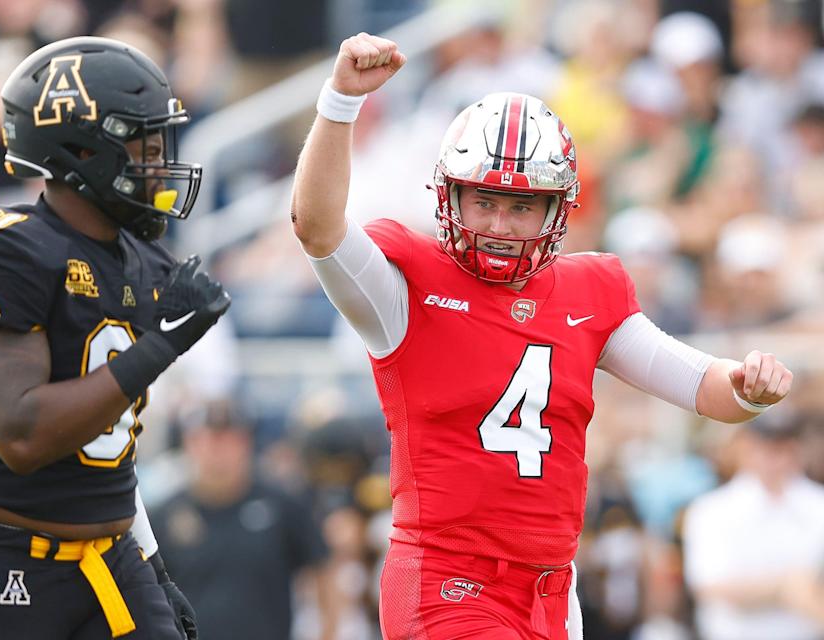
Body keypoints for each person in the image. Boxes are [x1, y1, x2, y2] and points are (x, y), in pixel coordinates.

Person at [290, 32, 793, 640]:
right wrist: (341, 100)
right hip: (446, 580)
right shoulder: (407, 287)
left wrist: (748, 386)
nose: (500, 225)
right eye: (485, 202)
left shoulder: (589, 292)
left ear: (557, 210)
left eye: (522, 207)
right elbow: (317, 228)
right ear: (451, 197)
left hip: (552, 591)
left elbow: (702, 387)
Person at [0, 36, 231, 640]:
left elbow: (109, 454)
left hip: (110, 561)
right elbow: (23, 434)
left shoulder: (145, 262)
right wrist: (160, 347)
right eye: (144, 143)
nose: (160, 162)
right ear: (84, 149)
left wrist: (153, 566)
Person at [149, 399, 335, 640]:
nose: (219, 450)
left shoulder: (282, 506)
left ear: (246, 443)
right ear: (189, 443)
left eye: (230, 439)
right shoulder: (164, 516)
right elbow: (145, 594)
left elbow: (323, 571)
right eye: (209, 439)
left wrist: (328, 632)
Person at [682, 411, 824, 640]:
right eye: (766, 447)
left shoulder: (818, 505)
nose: (775, 458)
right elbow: (707, 584)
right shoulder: (712, 510)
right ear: (745, 447)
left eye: (783, 447)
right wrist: (783, 588)